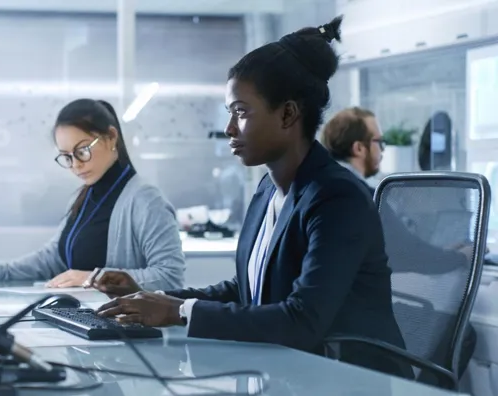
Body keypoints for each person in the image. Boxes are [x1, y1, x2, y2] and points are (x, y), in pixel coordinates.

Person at [91, 16, 412, 378]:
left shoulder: (337, 197)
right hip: (290, 373)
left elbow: (301, 320)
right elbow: (247, 289)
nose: (229, 128)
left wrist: (179, 312)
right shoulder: (268, 189)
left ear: (288, 113)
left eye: (240, 112)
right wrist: (158, 298)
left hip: (350, 380)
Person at [321, 106, 477, 381]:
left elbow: (399, 248)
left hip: (336, 322)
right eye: (379, 142)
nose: (382, 150)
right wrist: (461, 257)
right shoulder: (359, 195)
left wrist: (443, 252)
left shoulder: (326, 185)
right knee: (462, 334)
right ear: (359, 148)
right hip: (356, 328)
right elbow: (411, 255)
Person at [0, 99, 185, 291]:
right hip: (85, 318)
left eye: (82, 151)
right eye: (67, 157)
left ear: (111, 137)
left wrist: (93, 279)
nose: (75, 165)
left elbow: (170, 277)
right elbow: (52, 260)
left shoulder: (146, 201)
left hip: (123, 328)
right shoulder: (82, 198)